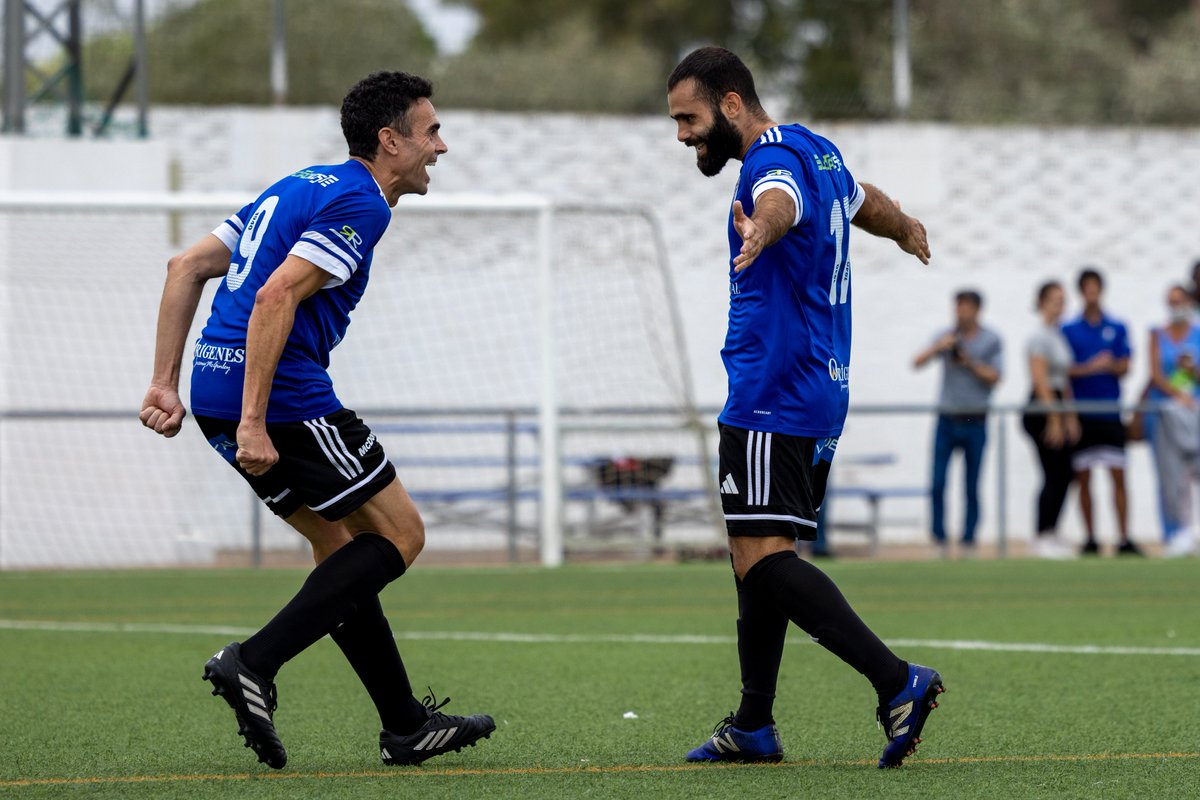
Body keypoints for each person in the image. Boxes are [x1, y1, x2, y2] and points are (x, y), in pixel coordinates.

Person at [139, 71, 494, 769]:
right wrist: (253, 422)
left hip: (212, 387)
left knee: (342, 551)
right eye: (431, 132)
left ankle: (404, 725)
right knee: (401, 534)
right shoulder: (364, 202)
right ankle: (255, 661)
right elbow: (275, 298)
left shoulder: (301, 184)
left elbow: (186, 266)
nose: (441, 147)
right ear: (390, 142)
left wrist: (164, 384)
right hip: (278, 397)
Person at [666, 47, 942, 770]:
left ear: (731, 104)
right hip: (820, 389)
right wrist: (905, 224)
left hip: (771, 389)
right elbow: (864, 199)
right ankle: (754, 723)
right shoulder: (819, 149)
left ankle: (897, 681)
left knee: (760, 559)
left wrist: (764, 225)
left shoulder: (769, 163)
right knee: (756, 554)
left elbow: (780, 198)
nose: (682, 135)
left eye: (688, 118)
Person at [912, 290, 1003, 554]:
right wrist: (939, 347)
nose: (959, 312)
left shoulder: (991, 340)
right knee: (938, 483)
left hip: (976, 421)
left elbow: (995, 376)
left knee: (972, 486)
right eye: (957, 307)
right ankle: (939, 539)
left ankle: (968, 541)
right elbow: (917, 362)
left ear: (977, 310)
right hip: (947, 420)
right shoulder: (946, 336)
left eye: (965, 307)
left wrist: (969, 362)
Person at [1062, 268, 1140, 555]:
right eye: (1087, 288)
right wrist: (1093, 366)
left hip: (1110, 413)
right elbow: (1065, 370)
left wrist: (1111, 365)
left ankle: (1123, 538)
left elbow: (1126, 365)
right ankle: (1091, 538)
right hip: (1083, 414)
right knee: (1084, 478)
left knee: (1118, 475)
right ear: (1082, 291)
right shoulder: (1069, 330)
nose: (1092, 292)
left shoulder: (1117, 327)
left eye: (1096, 287)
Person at [1021, 281, 1081, 559]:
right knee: (1053, 472)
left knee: (1066, 472)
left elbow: (1063, 380)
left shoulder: (1058, 335)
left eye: (1063, 300)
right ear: (1042, 302)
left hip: (1058, 403)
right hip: (1042, 406)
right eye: (1055, 299)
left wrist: (1070, 416)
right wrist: (1053, 418)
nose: (1061, 305)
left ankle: (1052, 530)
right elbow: (1041, 379)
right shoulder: (1039, 337)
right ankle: (1041, 534)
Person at [1147, 284, 1200, 557]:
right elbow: (1155, 374)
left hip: (1197, 411)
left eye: (1180, 301)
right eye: (1171, 302)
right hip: (1167, 413)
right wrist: (1177, 394)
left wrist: (1193, 371)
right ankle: (1176, 533)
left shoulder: (1198, 333)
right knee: (1171, 476)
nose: (1175, 306)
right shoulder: (1157, 334)